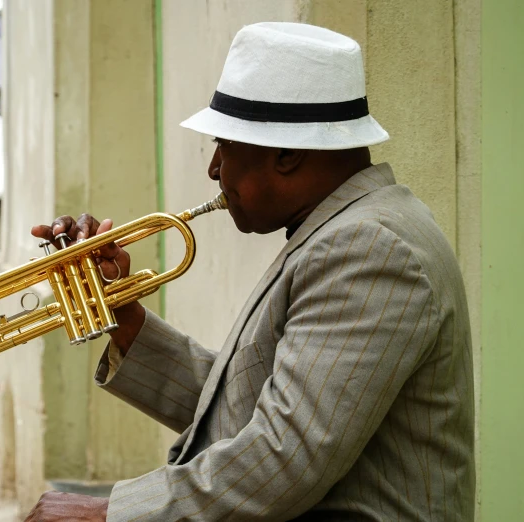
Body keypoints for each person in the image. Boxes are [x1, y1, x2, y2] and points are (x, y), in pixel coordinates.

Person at [26, 22, 474, 521]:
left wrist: (108, 514)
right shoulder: (344, 231)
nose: (214, 169)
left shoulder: (369, 248)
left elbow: (284, 459)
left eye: (225, 145)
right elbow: (247, 410)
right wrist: (125, 318)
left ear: (287, 154)